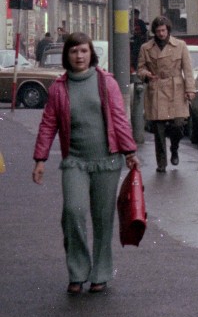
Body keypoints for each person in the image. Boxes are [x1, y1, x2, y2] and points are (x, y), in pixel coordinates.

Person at [31, 32, 140, 294]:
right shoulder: (59, 88)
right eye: (74, 52)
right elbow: (48, 125)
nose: (79, 56)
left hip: (107, 161)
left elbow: (119, 119)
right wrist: (40, 159)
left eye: (83, 51)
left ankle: (100, 273)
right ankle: (78, 271)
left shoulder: (106, 83)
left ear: (91, 54)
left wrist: (129, 151)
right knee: (73, 212)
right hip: (75, 162)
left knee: (103, 219)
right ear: (67, 56)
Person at [136, 15, 196, 173]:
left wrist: (190, 89)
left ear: (168, 30)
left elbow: (188, 70)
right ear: (154, 32)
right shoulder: (146, 48)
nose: (161, 34)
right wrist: (146, 74)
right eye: (158, 31)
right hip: (156, 89)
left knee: (178, 124)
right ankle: (161, 163)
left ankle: (174, 149)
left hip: (176, 89)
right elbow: (140, 69)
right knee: (159, 129)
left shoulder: (180, 45)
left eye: (163, 30)